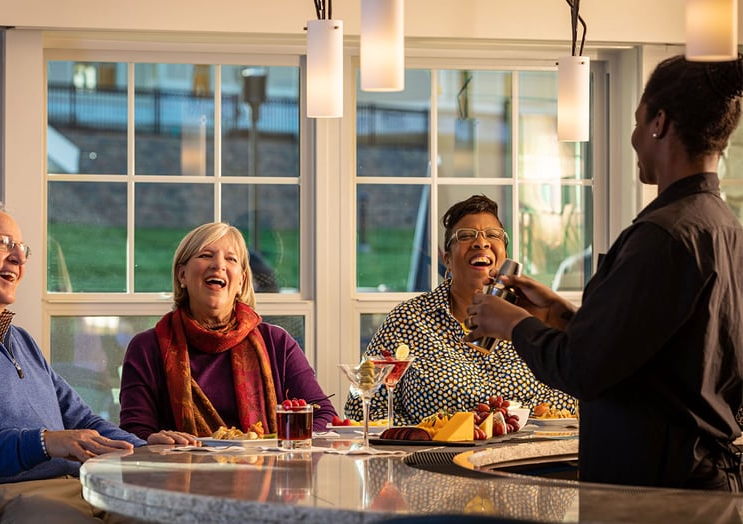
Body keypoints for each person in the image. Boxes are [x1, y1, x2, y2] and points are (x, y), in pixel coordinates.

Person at [466, 55, 743, 490]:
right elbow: (656, 359)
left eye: (637, 121)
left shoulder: (662, 236)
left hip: (654, 495)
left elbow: (581, 370)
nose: (633, 137)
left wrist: (512, 323)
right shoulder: (724, 228)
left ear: (659, 123)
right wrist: (562, 315)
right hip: (697, 482)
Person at [0, 201, 187, 523]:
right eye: (1, 243)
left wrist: (146, 449)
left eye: (21, 248)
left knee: (173, 516)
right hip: (9, 496)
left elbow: (82, 420)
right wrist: (43, 442)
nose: (19, 257)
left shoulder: (20, 339)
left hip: (83, 486)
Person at [344, 195, 577, 425]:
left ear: (504, 256)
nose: (481, 242)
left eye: (493, 235)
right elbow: (361, 408)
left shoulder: (532, 318)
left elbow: (577, 394)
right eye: (466, 236)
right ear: (447, 260)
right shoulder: (408, 319)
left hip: (529, 457)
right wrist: (426, 435)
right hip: (433, 457)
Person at [120, 222, 338, 439]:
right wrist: (151, 441)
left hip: (270, 470)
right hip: (183, 471)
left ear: (242, 281)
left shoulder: (277, 342)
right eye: (205, 255)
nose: (218, 265)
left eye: (231, 259)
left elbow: (325, 416)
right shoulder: (148, 348)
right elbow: (134, 432)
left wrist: (283, 443)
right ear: (182, 275)